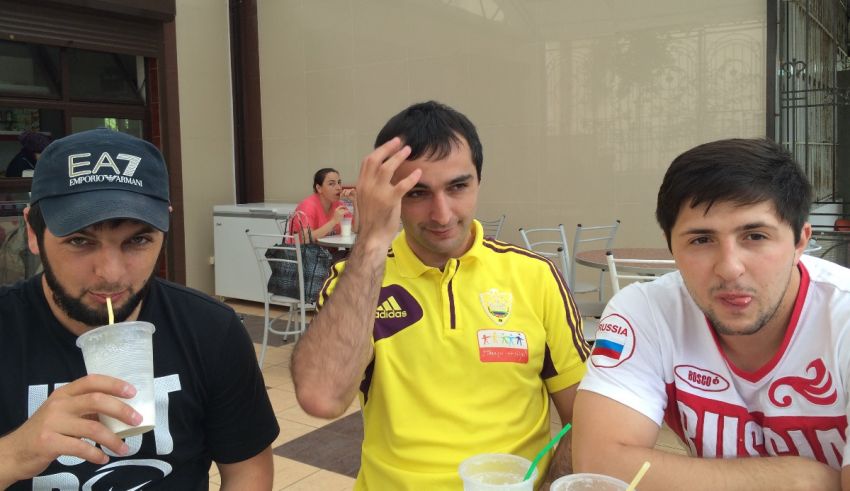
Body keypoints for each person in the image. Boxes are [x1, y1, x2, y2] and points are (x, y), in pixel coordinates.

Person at [290, 101, 591, 489]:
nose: (442, 214)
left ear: (478, 181)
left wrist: (551, 484)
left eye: (457, 186)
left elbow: (582, 417)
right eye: (417, 193)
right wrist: (372, 240)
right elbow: (321, 397)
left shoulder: (535, 276)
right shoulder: (355, 281)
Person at [0, 128, 279, 489]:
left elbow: (247, 472)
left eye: (138, 240)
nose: (111, 275)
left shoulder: (211, 331)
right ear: (34, 233)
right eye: (80, 241)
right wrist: (14, 455)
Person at [572, 138, 850, 490]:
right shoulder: (645, 312)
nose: (729, 268)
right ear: (671, 246)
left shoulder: (842, 316)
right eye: (701, 240)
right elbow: (598, 465)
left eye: (755, 235)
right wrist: (798, 480)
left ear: (799, 242)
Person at [289, 168, 354, 242]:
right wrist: (334, 221)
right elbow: (306, 239)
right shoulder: (307, 206)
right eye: (331, 184)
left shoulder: (338, 204)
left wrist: (355, 202)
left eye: (339, 182)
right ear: (319, 188)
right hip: (305, 252)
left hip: (329, 252)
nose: (338, 188)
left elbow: (355, 228)